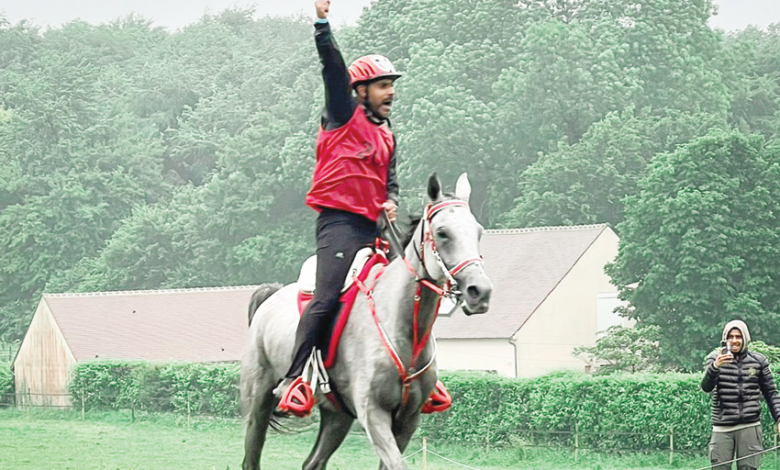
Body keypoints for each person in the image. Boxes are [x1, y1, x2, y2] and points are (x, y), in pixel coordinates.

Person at [274, 0, 401, 417]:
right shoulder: (342, 112)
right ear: (361, 91)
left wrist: (393, 202)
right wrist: (322, 23)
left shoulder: (387, 136)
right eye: (383, 85)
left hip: (376, 229)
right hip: (340, 225)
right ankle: (294, 380)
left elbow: (391, 181)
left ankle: (421, 377)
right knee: (326, 298)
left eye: (392, 85)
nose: (391, 92)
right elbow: (332, 67)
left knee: (419, 283)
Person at [701, 320, 780, 470]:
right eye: (730, 336)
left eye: (738, 336)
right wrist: (715, 367)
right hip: (722, 427)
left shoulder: (759, 360)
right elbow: (706, 387)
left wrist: (779, 419)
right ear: (725, 339)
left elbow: (771, 392)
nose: (734, 340)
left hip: (750, 426)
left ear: (745, 338)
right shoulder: (714, 358)